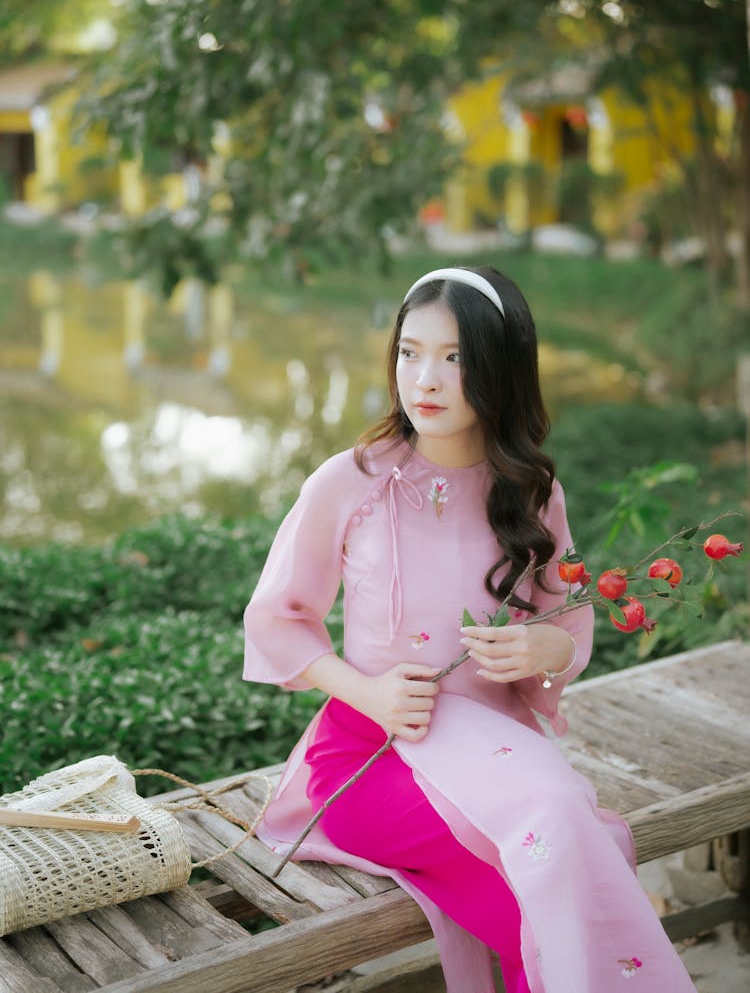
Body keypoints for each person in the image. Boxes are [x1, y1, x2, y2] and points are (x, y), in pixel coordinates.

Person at [243, 266, 696, 993]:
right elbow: (278, 618)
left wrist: (547, 651)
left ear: (500, 368)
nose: (425, 377)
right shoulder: (349, 481)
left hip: (501, 754)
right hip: (372, 757)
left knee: (544, 880)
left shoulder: (533, 491)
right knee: (554, 857)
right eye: (410, 352)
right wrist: (368, 691)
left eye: (454, 357)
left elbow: (568, 626)